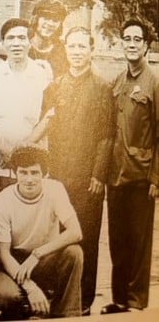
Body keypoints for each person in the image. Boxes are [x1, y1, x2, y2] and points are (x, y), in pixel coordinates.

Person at [34, 26, 113, 315]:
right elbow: (45, 130)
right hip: (57, 176)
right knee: (55, 236)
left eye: (82, 47)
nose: (77, 52)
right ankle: (56, 294)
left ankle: (83, 300)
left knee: (87, 238)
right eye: (72, 47)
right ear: (65, 50)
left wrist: (98, 174)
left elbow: (107, 136)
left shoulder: (103, 88)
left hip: (87, 178)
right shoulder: (54, 87)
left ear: (91, 50)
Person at [102, 18, 158, 314]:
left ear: (146, 46)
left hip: (141, 175)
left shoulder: (155, 82)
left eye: (138, 39)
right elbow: (110, 131)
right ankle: (119, 299)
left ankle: (136, 303)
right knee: (117, 241)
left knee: (138, 242)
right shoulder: (117, 81)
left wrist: (156, 178)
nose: (132, 44)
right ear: (121, 43)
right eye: (127, 38)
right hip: (116, 175)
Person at [0, 145, 83, 320]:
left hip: (44, 257)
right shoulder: (2, 200)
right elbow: (3, 253)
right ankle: (26, 311)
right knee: (5, 296)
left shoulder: (55, 189)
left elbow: (75, 232)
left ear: (44, 174)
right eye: (23, 172)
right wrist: (30, 287)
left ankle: (66, 315)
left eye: (35, 172)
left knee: (73, 252)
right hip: (13, 261)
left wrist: (37, 254)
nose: (29, 179)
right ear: (15, 173)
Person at [0, 18, 52, 199]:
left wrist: (22, 149)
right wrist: (2, 149)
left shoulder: (42, 74)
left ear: (30, 42)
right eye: (10, 38)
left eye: (22, 37)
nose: (17, 43)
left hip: (31, 160)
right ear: (3, 42)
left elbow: (49, 116)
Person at [28, 0, 69, 79]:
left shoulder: (63, 51)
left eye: (55, 20)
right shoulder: (22, 44)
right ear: (35, 19)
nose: (50, 24)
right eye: (46, 18)